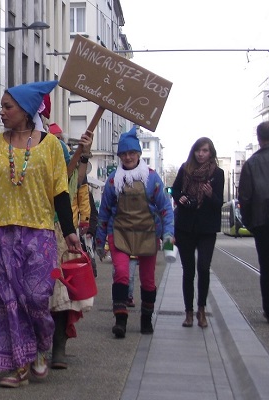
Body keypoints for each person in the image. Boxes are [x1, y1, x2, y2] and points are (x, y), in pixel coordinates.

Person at [0, 80, 82, 388]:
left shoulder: (51, 146)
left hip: (38, 231)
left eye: (7, 107)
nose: (1, 112)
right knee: (6, 301)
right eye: (1, 106)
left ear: (26, 111)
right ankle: (20, 365)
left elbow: (60, 193)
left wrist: (69, 232)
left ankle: (41, 346)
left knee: (37, 297)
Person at [95, 126, 174, 339]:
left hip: (147, 233)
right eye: (124, 154)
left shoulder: (152, 179)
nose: (128, 157)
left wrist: (167, 234)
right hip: (119, 233)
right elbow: (104, 213)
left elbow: (166, 209)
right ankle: (120, 320)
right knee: (121, 273)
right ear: (119, 156)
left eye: (131, 153)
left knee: (148, 280)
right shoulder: (113, 180)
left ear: (139, 154)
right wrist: (99, 240)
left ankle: (146, 318)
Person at [48, 122, 93, 370]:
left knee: (61, 293)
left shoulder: (67, 161)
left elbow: (77, 178)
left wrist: (83, 153)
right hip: (33, 228)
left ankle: (58, 345)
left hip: (61, 234)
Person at [238, 121, 269, 331]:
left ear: (259, 138)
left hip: (262, 222)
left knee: (267, 269)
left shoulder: (251, 164)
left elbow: (245, 197)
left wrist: (250, 222)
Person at [171, 137, 224, 328]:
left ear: (211, 153)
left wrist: (210, 195)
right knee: (188, 271)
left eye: (205, 151)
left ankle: (201, 310)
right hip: (186, 227)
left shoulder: (218, 174)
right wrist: (181, 197)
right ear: (193, 152)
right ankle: (189, 313)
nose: (201, 154)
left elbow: (218, 203)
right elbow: (173, 190)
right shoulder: (185, 169)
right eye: (198, 151)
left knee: (203, 267)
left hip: (207, 229)